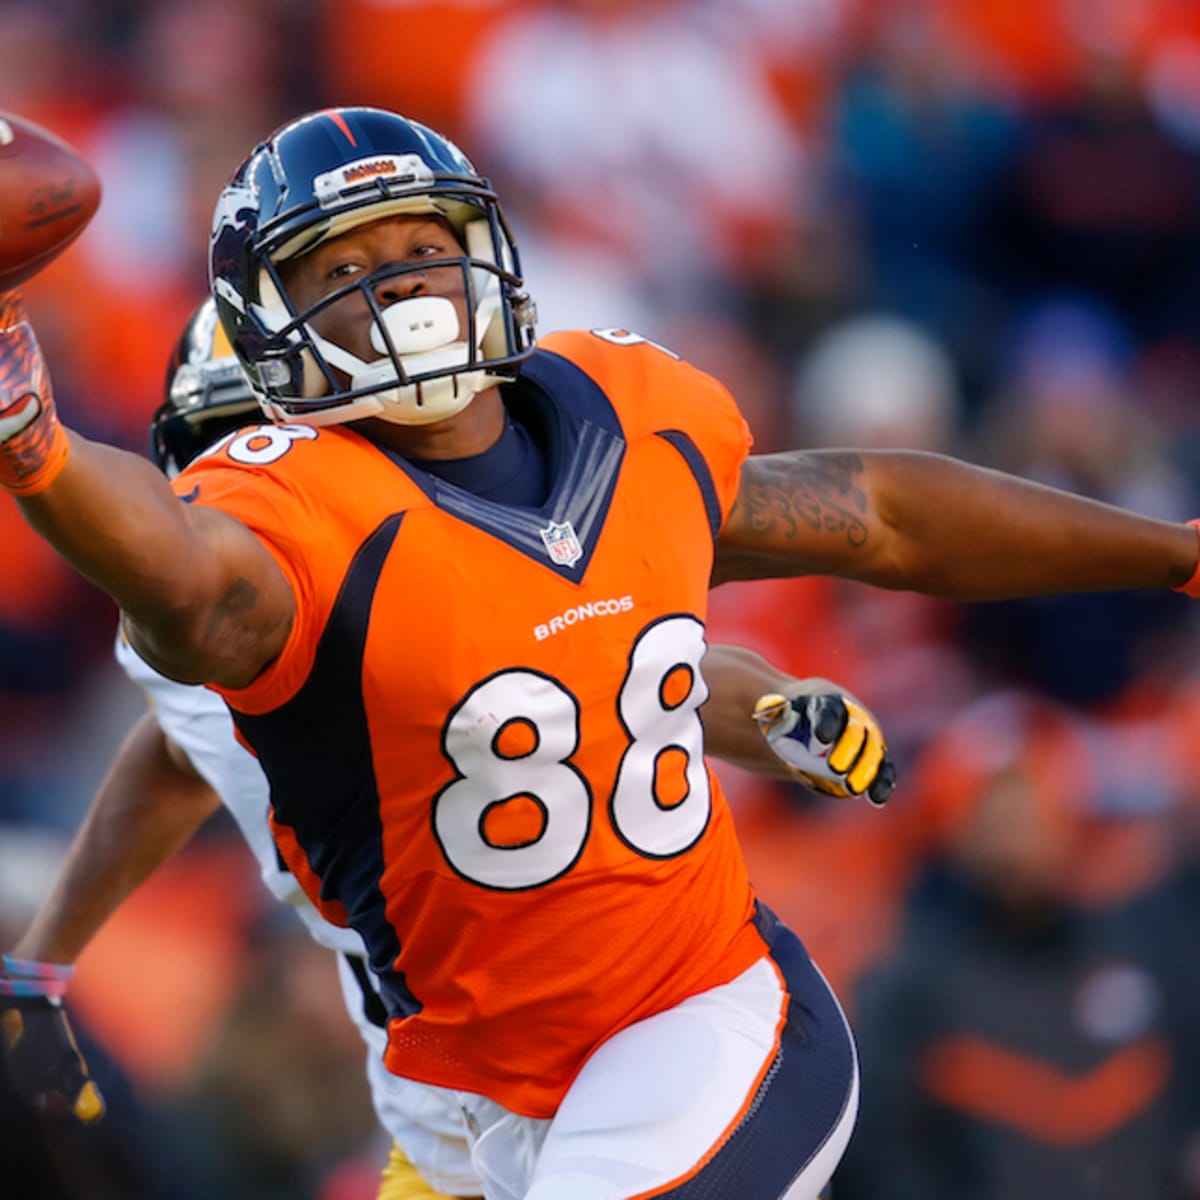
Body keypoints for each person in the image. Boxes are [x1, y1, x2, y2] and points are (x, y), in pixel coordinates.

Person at [0, 106, 1197, 1199]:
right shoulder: (280, 531)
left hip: (686, 1034)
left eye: (413, 253)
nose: (396, 295)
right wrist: (34, 434)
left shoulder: (625, 421)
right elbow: (184, 671)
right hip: (454, 1097)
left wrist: (1173, 552)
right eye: (344, 273)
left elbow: (864, 523)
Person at [3, 297, 895, 1200]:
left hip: (625, 1046)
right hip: (442, 1120)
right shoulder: (190, 637)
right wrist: (41, 959)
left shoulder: (415, 570)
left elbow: (641, 667)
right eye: (223, 449)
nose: (249, 485)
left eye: (274, 442)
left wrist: (778, 707)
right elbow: (183, 752)